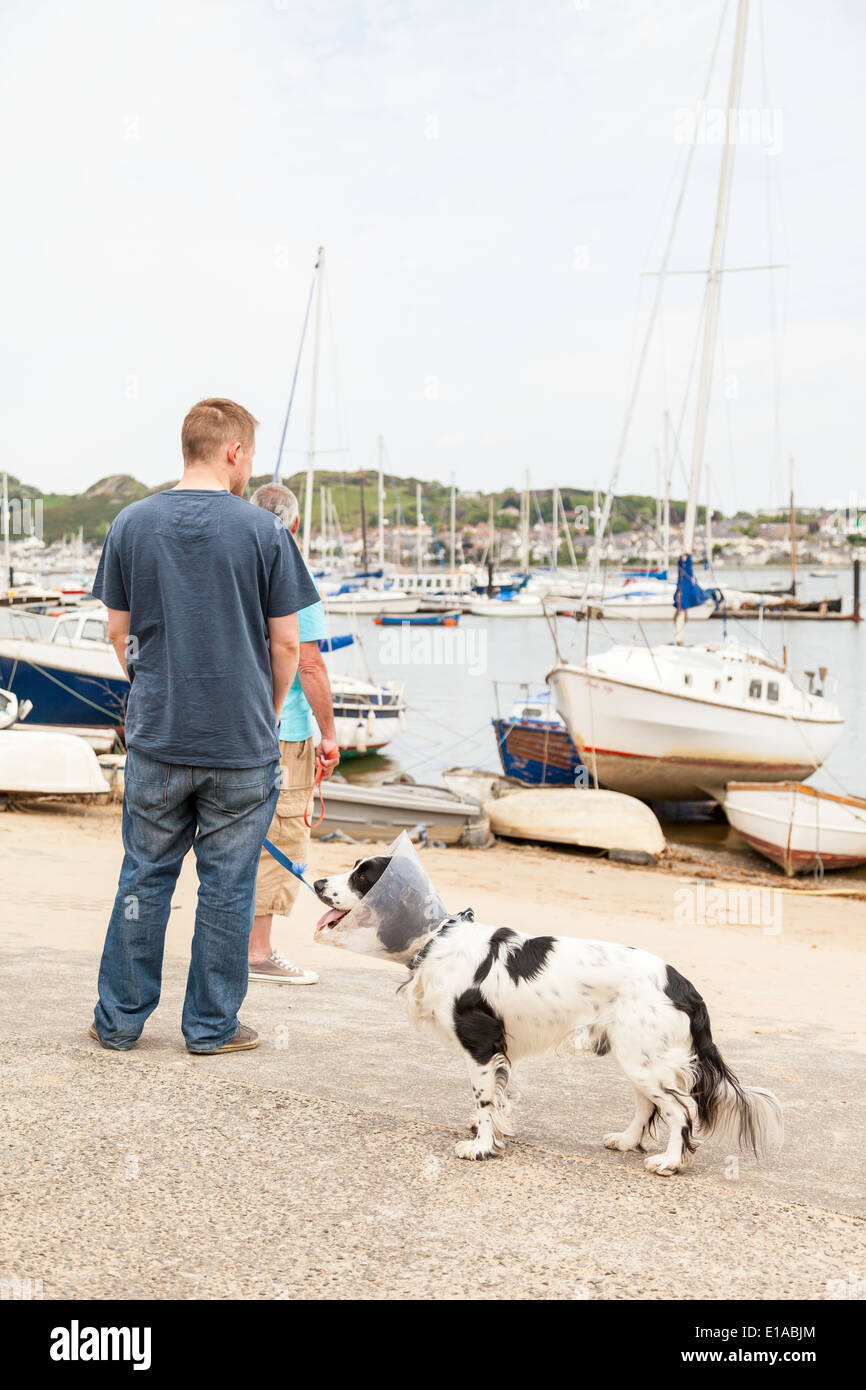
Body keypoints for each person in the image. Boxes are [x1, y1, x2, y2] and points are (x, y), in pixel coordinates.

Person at [89, 398, 319, 1054]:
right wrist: (267, 711)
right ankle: (212, 1027)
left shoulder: (132, 523)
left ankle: (119, 1022)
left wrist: (152, 691)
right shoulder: (265, 533)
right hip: (241, 744)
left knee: (144, 876)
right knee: (227, 883)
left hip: (159, 737)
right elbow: (286, 648)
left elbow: (117, 631)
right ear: (234, 453)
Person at [248, 483, 340, 984]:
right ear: (296, 525)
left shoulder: (235, 566)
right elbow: (309, 664)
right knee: (279, 836)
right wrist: (329, 734)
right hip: (285, 730)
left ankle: (230, 944)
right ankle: (257, 952)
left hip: (238, 724)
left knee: (240, 838)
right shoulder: (293, 572)